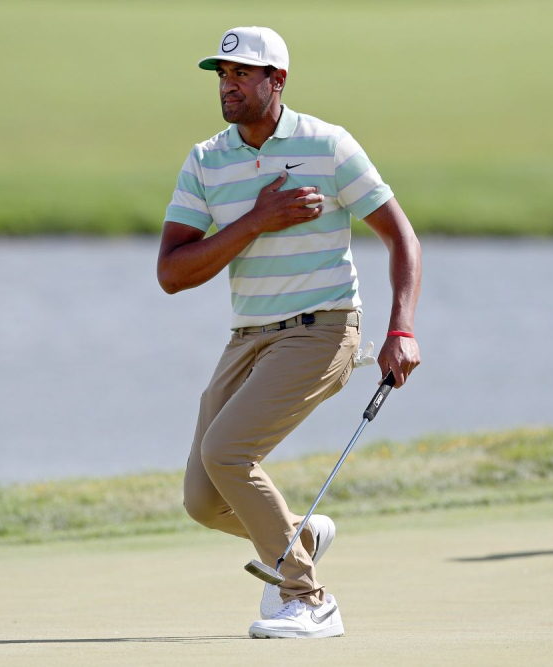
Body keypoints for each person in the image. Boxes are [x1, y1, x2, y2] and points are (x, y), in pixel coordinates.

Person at [158, 26, 421, 639]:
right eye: (222, 74)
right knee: (204, 498)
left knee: (227, 451)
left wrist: (400, 327)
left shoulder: (327, 145)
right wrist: (257, 221)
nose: (228, 85)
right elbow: (172, 273)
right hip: (248, 335)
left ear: (277, 80)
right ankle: (299, 535)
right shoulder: (206, 159)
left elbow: (400, 237)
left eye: (242, 74)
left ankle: (310, 598)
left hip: (323, 328)